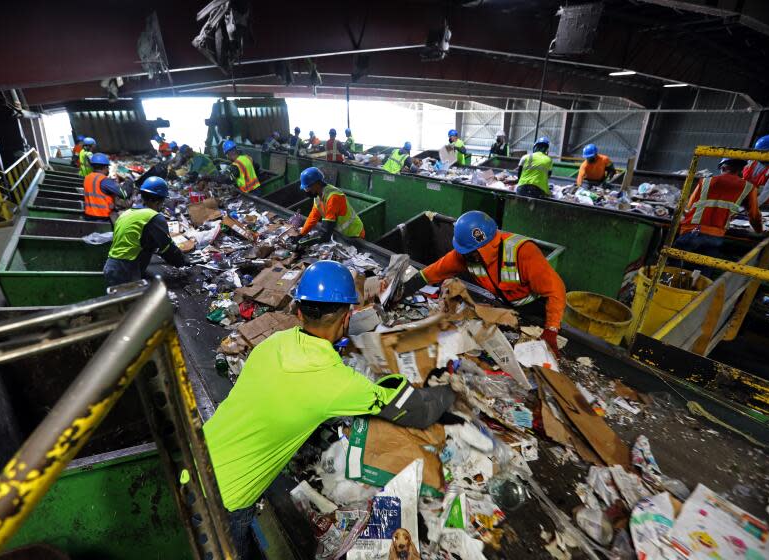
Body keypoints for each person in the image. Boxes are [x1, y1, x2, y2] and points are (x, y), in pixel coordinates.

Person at [203, 260, 455, 555]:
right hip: (227, 498)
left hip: (196, 454)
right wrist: (451, 389)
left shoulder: (273, 344)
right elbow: (418, 412)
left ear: (299, 311)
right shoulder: (337, 383)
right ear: (347, 317)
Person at [398, 211, 566, 356]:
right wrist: (403, 289)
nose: (464, 256)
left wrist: (551, 329)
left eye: (470, 253)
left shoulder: (522, 252)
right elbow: (434, 271)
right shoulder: (466, 254)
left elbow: (555, 291)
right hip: (506, 305)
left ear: (483, 249)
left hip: (537, 309)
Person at [674, 158, 763, 274]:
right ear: (741, 169)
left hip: (691, 232)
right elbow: (754, 216)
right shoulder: (748, 188)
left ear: (723, 168)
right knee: (699, 277)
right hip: (714, 237)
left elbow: (689, 207)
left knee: (672, 270)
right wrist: (759, 231)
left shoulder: (705, 181)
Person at [103, 177, 189, 287]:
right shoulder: (153, 217)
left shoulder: (127, 213)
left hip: (111, 266)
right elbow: (167, 248)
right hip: (126, 270)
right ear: (159, 201)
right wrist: (183, 261)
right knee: (135, 303)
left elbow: (135, 240)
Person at [295, 167, 365, 243]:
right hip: (342, 234)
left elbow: (326, 230)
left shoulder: (333, 197)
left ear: (317, 184)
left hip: (354, 234)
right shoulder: (318, 196)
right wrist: (301, 235)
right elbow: (313, 217)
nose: (306, 191)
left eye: (307, 188)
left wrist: (308, 243)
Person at [83, 153, 127, 222]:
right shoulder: (104, 180)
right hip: (102, 217)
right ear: (105, 167)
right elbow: (124, 194)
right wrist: (128, 181)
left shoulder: (87, 178)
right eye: (108, 167)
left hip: (89, 215)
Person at [743, 134, 769, 206]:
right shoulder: (751, 161)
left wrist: (752, 206)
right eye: (759, 152)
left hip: (766, 206)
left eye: (763, 152)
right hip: (744, 201)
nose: (760, 155)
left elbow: (767, 192)